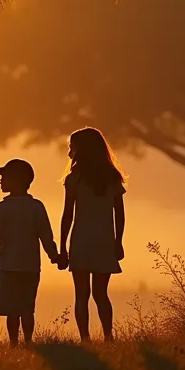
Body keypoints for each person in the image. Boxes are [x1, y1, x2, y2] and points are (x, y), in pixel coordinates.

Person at [0, 159, 61, 346]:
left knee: (12, 310)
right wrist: (55, 256)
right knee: (26, 308)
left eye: (5, 177)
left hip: (8, 266)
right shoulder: (36, 207)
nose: (1, 181)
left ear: (17, 180)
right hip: (31, 267)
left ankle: (14, 343)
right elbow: (46, 236)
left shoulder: (2, 208)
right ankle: (28, 342)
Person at [59, 127, 128, 342]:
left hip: (81, 241)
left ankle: (85, 338)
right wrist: (118, 242)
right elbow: (120, 214)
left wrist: (62, 246)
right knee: (101, 293)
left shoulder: (74, 179)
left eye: (72, 147)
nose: (69, 152)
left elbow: (67, 215)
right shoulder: (112, 178)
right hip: (104, 241)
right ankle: (108, 336)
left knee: (82, 294)